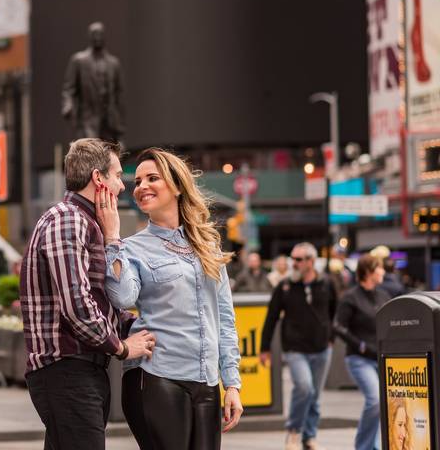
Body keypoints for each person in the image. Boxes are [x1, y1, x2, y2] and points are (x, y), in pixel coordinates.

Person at [20, 138, 155, 450]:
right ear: (98, 178)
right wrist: (121, 348)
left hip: (78, 371)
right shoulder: (68, 219)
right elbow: (77, 305)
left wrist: (148, 323)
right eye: (118, 175)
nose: (123, 186)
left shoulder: (84, 221)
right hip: (67, 370)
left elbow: (100, 301)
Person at [104, 147, 242, 449]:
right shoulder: (131, 248)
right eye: (137, 181)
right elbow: (121, 295)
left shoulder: (207, 244)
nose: (142, 187)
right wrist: (112, 237)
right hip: (157, 376)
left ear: (177, 185)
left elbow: (224, 316)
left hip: (205, 382)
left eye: (152, 178)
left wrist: (231, 383)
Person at [260, 242, 338, 450]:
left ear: (311, 262)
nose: (293, 263)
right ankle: (294, 432)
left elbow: (334, 313)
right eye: (292, 259)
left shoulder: (326, 284)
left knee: (315, 396)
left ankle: (309, 436)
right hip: (295, 349)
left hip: (322, 349)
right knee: (304, 387)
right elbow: (271, 318)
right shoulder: (284, 286)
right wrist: (264, 348)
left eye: (299, 259)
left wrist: (331, 338)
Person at [333, 254, 390, 450]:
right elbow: (339, 327)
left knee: (383, 403)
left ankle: (374, 445)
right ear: (368, 272)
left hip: (382, 359)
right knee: (375, 400)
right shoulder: (350, 297)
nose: (383, 271)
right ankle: (364, 446)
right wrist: (361, 346)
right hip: (359, 359)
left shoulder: (383, 296)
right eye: (379, 268)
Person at [61, 22, 127, 145]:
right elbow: (69, 89)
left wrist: (120, 123)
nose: (97, 38)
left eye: (100, 34)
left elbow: (119, 94)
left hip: (109, 119)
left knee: (110, 153)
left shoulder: (113, 63)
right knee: (91, 151)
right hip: (88, 118)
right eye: (94, 34)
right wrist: (67, 105)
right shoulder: (79, 60)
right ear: (90, 37)